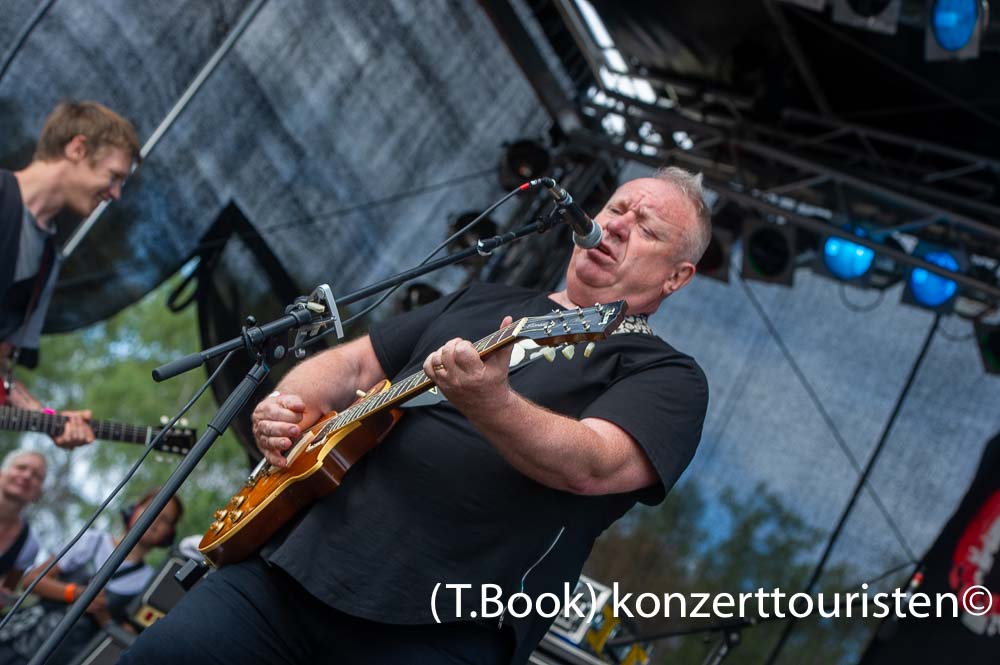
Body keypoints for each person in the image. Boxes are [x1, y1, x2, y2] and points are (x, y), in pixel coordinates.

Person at [122, 167, 713, 664]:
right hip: (291, 568)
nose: (617, 225)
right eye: (616, 208)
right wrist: (289, 405)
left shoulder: (666, 375)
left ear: (676, 277)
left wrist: (491, 401)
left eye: (647, 228)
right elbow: (355, 363)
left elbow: (595, 464)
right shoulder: (486, 299)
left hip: (438, 630)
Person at [1, 100, 141, 449]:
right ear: (77, 149)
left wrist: (50, 419)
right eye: (114, 176)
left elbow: (2, 372)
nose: (116, 193)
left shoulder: (48, 261)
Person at [0, 488, 182, 665]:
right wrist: (76, 593)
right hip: (18, 640)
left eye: (165, 519)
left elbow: (127, 640)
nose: (155, 518)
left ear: (169, 534)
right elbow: (31, 580)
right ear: (135, 509)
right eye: (151, 507)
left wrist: (103, 616)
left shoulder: (149, 582)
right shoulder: (92, 541)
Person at [0, 450, 46, 599]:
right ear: (1, 474)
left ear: (39, 492)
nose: (27, 476)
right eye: (21, 467)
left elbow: (7, 591)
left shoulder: (29, 543)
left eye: (36, 476)